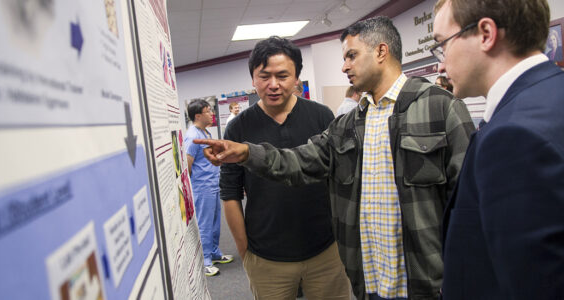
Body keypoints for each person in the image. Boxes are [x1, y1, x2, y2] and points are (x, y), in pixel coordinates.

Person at [196, 17, 475, 300]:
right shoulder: (347, 126)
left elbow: (471, 207)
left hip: (426, 285)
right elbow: (296, 162)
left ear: (381, 52)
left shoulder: (440, 108)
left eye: (351, 56)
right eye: (344, 58)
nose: (344, 66)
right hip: (370, 283)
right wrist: (246, 152)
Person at [432, 0, 564, 298]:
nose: (440, 64)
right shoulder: (550, 95)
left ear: (486, 34)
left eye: (443, 44)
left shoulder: (514, 136)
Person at [221, 36, 352, 300]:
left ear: (296, 79)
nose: (273, 85)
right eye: (264, 76)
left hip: (325, 251)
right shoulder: (238, 127)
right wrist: (244, 251)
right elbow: (230, 193)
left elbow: (338, 178)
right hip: (266, 257)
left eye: (282, 75)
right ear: (253, 79)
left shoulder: (321, 116)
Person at [184, 99, 233, 277]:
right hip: (202, 187)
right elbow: (187, 166)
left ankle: (214, 253)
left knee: (214, 222)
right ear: (198, 115)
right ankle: (205, 261)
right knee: (205, 224)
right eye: (208, 111)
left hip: (212, 184)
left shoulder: (205, 131)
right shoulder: (192, 136)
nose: (211, 113)